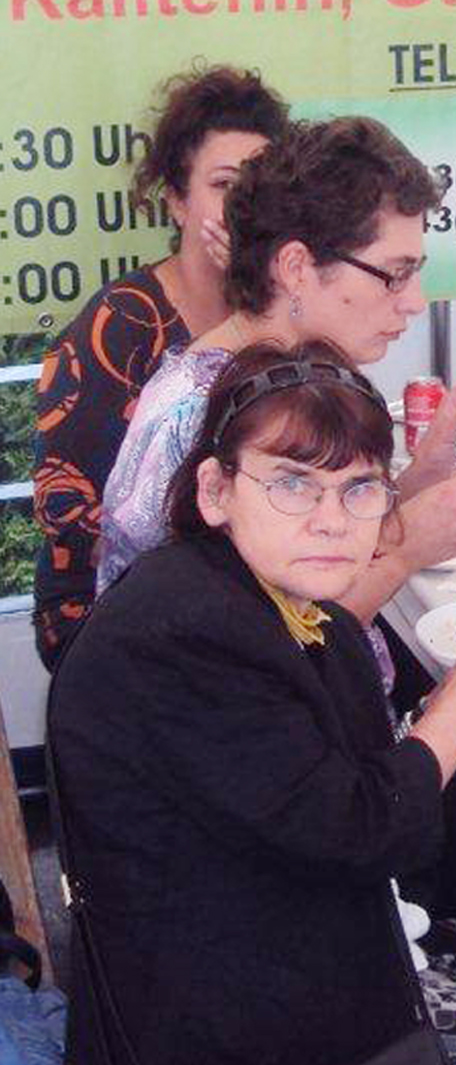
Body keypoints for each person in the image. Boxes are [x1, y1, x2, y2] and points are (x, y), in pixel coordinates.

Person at [48, 340, 456, 1065]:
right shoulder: (181, 637)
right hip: (224, 1022)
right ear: (215, 490)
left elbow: (338, 770)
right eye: (292, 484)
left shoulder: (264, 591)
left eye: (359, 488)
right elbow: (363, 831)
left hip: (266, 928)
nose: (332, 520)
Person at [97, 114, 456, 638]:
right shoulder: (202, 416)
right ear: (296, 268)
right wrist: (406, 548)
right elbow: (264, 648)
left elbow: (331, 540)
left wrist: (430, 465)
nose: (414, 301)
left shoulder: (291, 381)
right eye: (394, 274)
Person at [31, 64, 288, 670]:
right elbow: (77, 518)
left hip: (248, 589)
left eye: (261, 186)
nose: (245, 206)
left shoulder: (282, 311)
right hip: (113, 606)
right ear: (176, 200)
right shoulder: (122, 324)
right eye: (224, 185)